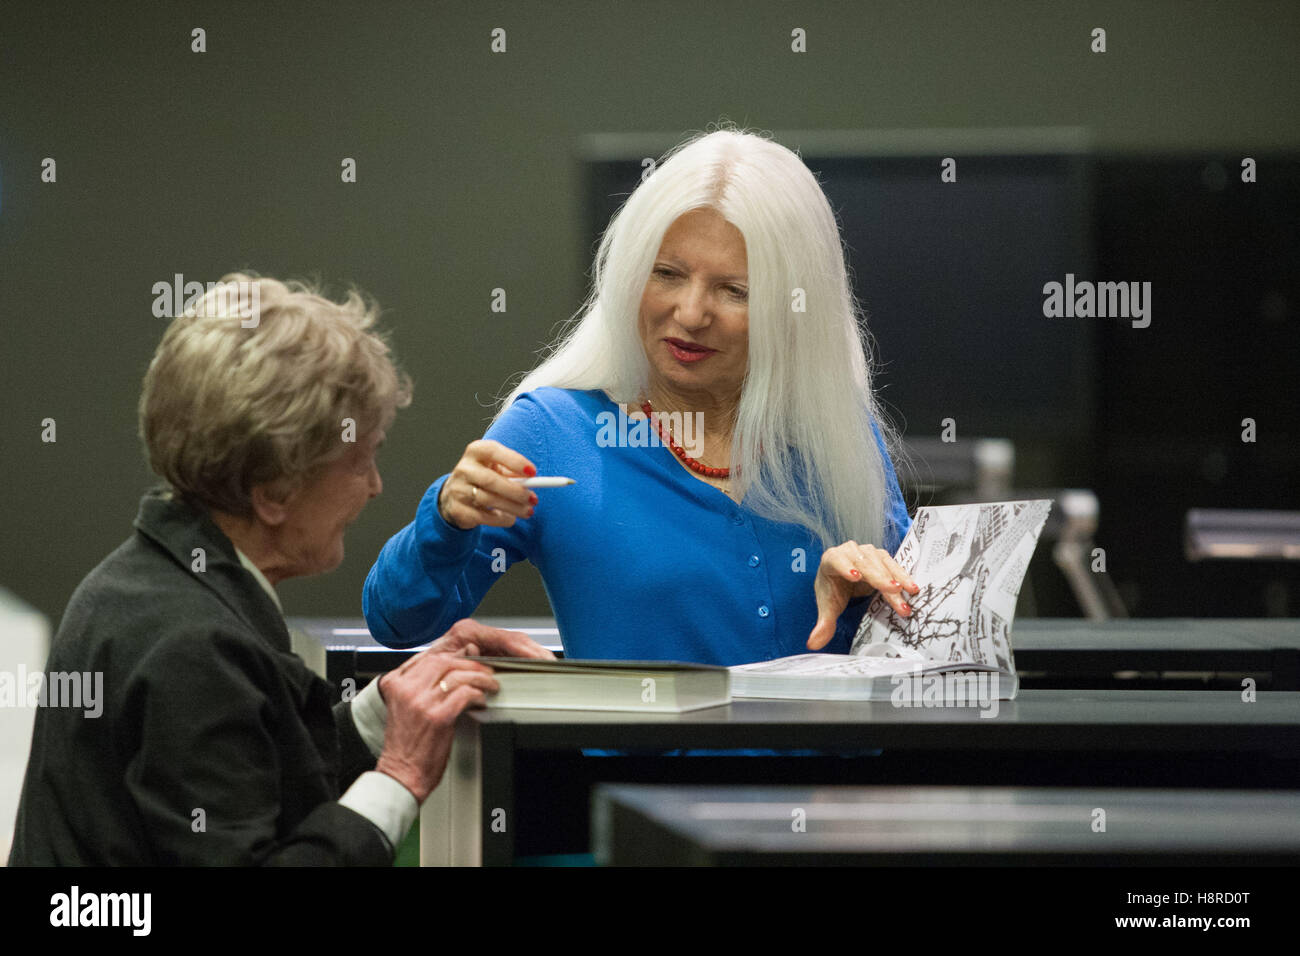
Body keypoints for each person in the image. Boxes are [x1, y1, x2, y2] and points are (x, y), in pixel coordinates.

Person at [8, 274, 552, 866]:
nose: (374, 488)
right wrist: (400, 777)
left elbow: (249, 779)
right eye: (359, 460)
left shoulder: (147, 584)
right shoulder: (195, 646)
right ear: (273, 491)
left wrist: (388, 707)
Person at [365, 126, 920, 666]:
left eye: (734, 291)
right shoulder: (554, 431)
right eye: (668, 274)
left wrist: (867, 600)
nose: (690, 313)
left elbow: (935, 637)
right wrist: (445, 519)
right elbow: (398, 621)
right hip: (637, 763)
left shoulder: (837, 433)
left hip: (844, 761)